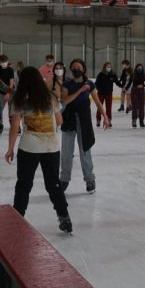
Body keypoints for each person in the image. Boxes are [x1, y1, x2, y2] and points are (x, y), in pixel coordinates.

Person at [4, 66, 72, 234]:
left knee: (24, 185)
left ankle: (17, 219)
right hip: (51, 148)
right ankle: (64, 218)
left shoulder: (19, 99)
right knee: (54, 185)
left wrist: (10, 149)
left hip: (29, 148)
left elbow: (14, 127)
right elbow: (60, 121)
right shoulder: (51, 97)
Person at [60, 59, 109, 194]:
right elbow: (65, 101)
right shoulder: (67, 84)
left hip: (84, 120)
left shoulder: (89, 84)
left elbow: (98, 102)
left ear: (83, 69)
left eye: (79, 67)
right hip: (69, 119)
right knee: (66, 152)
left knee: (85, 150)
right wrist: (81, 90)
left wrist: (105, 116)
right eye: (74, 67)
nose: (76, 69)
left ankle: (89, 179)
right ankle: (64, 179)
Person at [94, 62, 121, 128]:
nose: (109, 68)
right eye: (108, 66)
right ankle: (98, 120)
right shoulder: (100, 74)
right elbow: (96, 83)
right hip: (101, 94)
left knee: (109, 108)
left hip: (109, 94)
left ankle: (109, 120)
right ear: (104, 67)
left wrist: (123, 86)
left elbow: (117, 82)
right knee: (100, 108)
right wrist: (99, 89)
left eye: (110, 67)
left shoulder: (113, 75)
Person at [127, 63, 145, 128]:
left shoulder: (144, 75)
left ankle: (141, 121)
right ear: (136, 68)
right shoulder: (133, 75)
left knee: (141, 106)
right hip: (134, 90)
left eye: (140, 68)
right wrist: (125, 89)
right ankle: (134, 120)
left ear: (142, 68)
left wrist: (143, 85)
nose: (139, 69)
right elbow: (129, 83)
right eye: (138, 68)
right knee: (135, 106)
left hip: (141, 91)